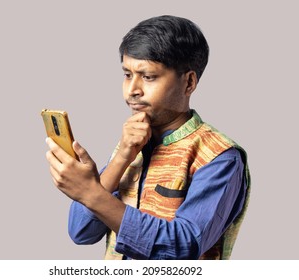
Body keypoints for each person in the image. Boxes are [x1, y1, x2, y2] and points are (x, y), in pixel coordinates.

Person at [45, 15, 251, 260]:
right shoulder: (132, 145)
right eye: (127, 74)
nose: (133, 90)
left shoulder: (220, 158)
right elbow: (81, 231)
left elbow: (182, 248)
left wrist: (91, 193)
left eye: (149, 77)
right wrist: (121, 157)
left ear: (189, 82)